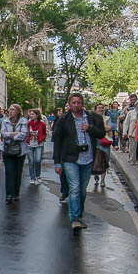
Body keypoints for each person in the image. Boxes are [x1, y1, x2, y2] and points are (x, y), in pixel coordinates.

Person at [53, 93, 106, 232]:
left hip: (87, 158)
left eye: (79, 102)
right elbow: (57, 142)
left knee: (82, 190)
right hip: (70, 158)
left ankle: (79, 214)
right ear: (69, 105)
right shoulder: (64, 119)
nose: (76, 105)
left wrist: (90, 128)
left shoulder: (92, 117)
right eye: (73, 103)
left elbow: (101, 133)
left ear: (82, 103)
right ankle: (74, 218)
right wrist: (57, 162)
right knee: (75, 187)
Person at [0, 104, 28, 203]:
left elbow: (24, 135)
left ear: (18, 111)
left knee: (17, 172)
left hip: (20, 151)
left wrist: (11, 136)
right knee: (9, 172)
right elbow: (3, 134)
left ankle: (16, 193)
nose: (10, 111)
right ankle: (9, 195)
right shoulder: (5, 121)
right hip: (7, 149)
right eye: (9, 109)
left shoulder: (24, 121)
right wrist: (14, 134)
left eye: (12, 109)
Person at [90, 103, 110, 190]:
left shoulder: (107, 118)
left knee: (105, 160)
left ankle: (103, 180)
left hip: (105, 141)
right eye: (99, 108)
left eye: (102, 108)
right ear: (95, 110)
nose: (101, 109)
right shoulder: (91, 118)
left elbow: (109, 128)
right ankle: (96, 174)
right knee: (96, 158)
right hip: (95, 141)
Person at [25, 108, 47, 185]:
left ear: (37, 115)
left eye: (32, 114)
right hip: (30, 144)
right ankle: (32, 177)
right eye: (30, 114)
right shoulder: (28, 123)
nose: (31, 115)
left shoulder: (42, 124)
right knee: (31, 161)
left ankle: (38, 175)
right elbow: (26, 132)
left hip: (38, 144)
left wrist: (42, 138)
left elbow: (44, 132)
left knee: (37, 160)